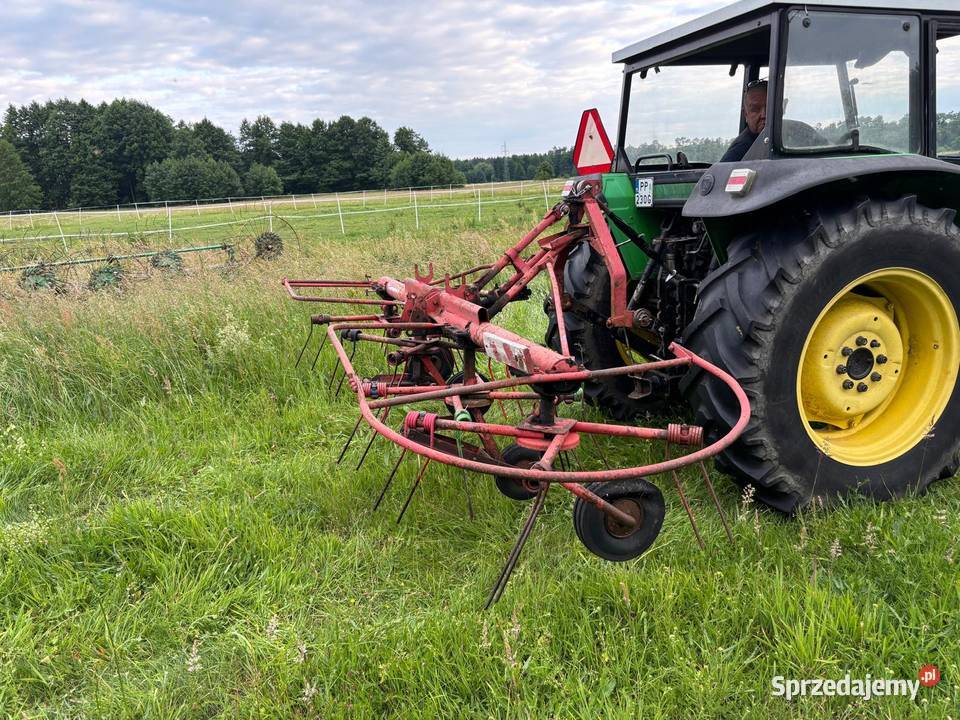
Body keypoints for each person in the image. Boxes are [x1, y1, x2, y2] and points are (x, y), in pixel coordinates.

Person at [720, 80, 767, 163]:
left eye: (769, 108)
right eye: (755, 109)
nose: (763, 115)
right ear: (745, 114)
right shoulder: (740, 150)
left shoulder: (789, 136)